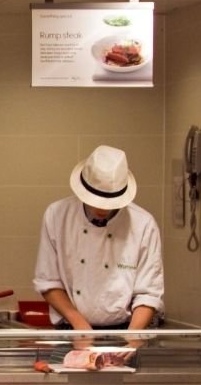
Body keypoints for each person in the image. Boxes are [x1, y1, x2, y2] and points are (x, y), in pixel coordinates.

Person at [32, 144, 164, 337]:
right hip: (72, 328)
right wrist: (79, 325)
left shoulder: (143, 224)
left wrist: (132, 339)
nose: (102, 208)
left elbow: (149, 293)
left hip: (127, 329)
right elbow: (48, 282)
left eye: (110, 202)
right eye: (95, 200)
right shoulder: (57, 215)